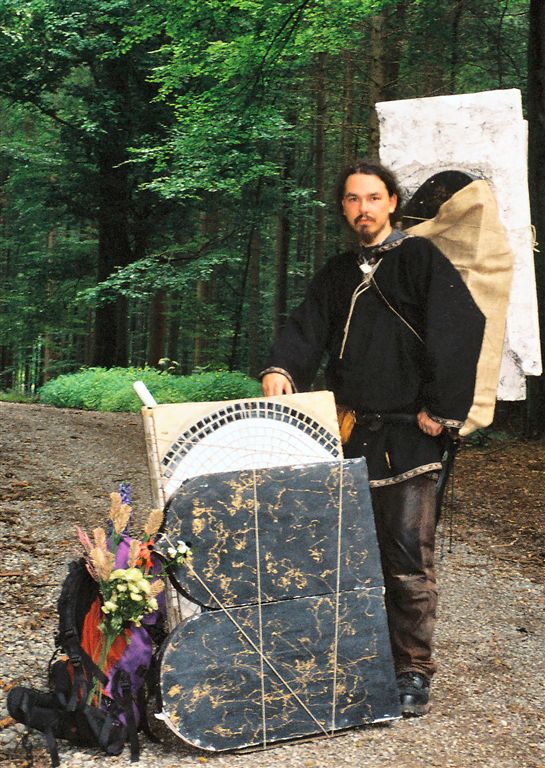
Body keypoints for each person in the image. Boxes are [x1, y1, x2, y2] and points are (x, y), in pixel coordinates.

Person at [260, 158, 485, 716]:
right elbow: (307, 325)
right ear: (344, 208)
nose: (364, 208)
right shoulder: (338, 272)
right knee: (345, 557)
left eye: (374, 197)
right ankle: (356, 658)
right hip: (348, 432)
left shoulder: (420, 259)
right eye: (353, 199)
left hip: (410, 435)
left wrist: (443, 408)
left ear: (392, 203)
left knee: (407, 562)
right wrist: (282, 367)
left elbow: (461, 327)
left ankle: (412, 670)